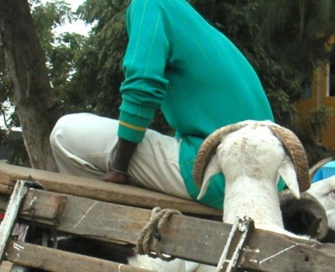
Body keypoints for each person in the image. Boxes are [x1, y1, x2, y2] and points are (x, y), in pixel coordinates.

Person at [49, 0, 274, 210]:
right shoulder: (192, 21)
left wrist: (119, 168)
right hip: (268, 179)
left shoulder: (149, 4)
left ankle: (96, 224)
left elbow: (143, 85)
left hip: (222, 176)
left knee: (64, 132)